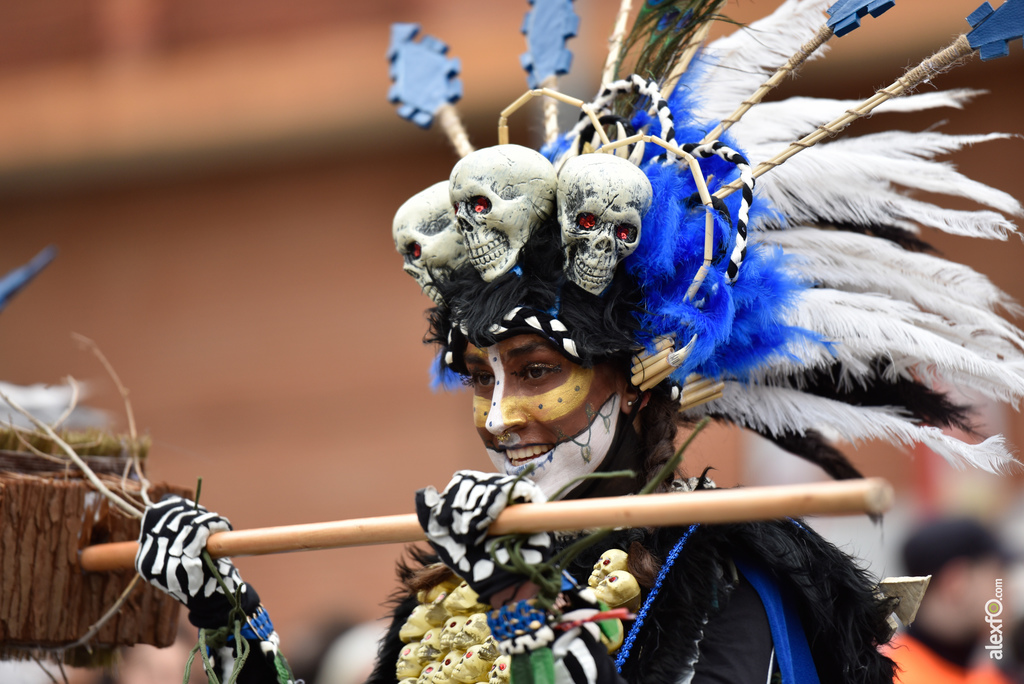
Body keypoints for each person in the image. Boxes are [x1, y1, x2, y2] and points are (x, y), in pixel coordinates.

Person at [133, 2, 1024, 683]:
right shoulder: (444, 598)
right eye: (482, 378)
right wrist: (227, 614)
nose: (497, 418)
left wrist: (516, 606)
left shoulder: (734, 585)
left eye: (535, 373)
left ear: (636, 382)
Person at [886, 518, 1014, 684]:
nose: (1010, 591)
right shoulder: (896, 678)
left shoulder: (986, 674)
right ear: (956, 584)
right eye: (999, 577)